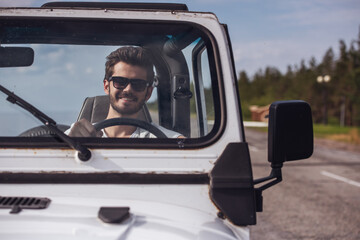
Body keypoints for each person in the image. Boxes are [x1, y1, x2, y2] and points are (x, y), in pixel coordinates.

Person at [66, 46, 183, 138]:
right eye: (120, 81)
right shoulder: (76, 136)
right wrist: (71, 146)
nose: (128, 89)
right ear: (107, 86)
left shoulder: (164, 140)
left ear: (148, 93)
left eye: (138, 84)